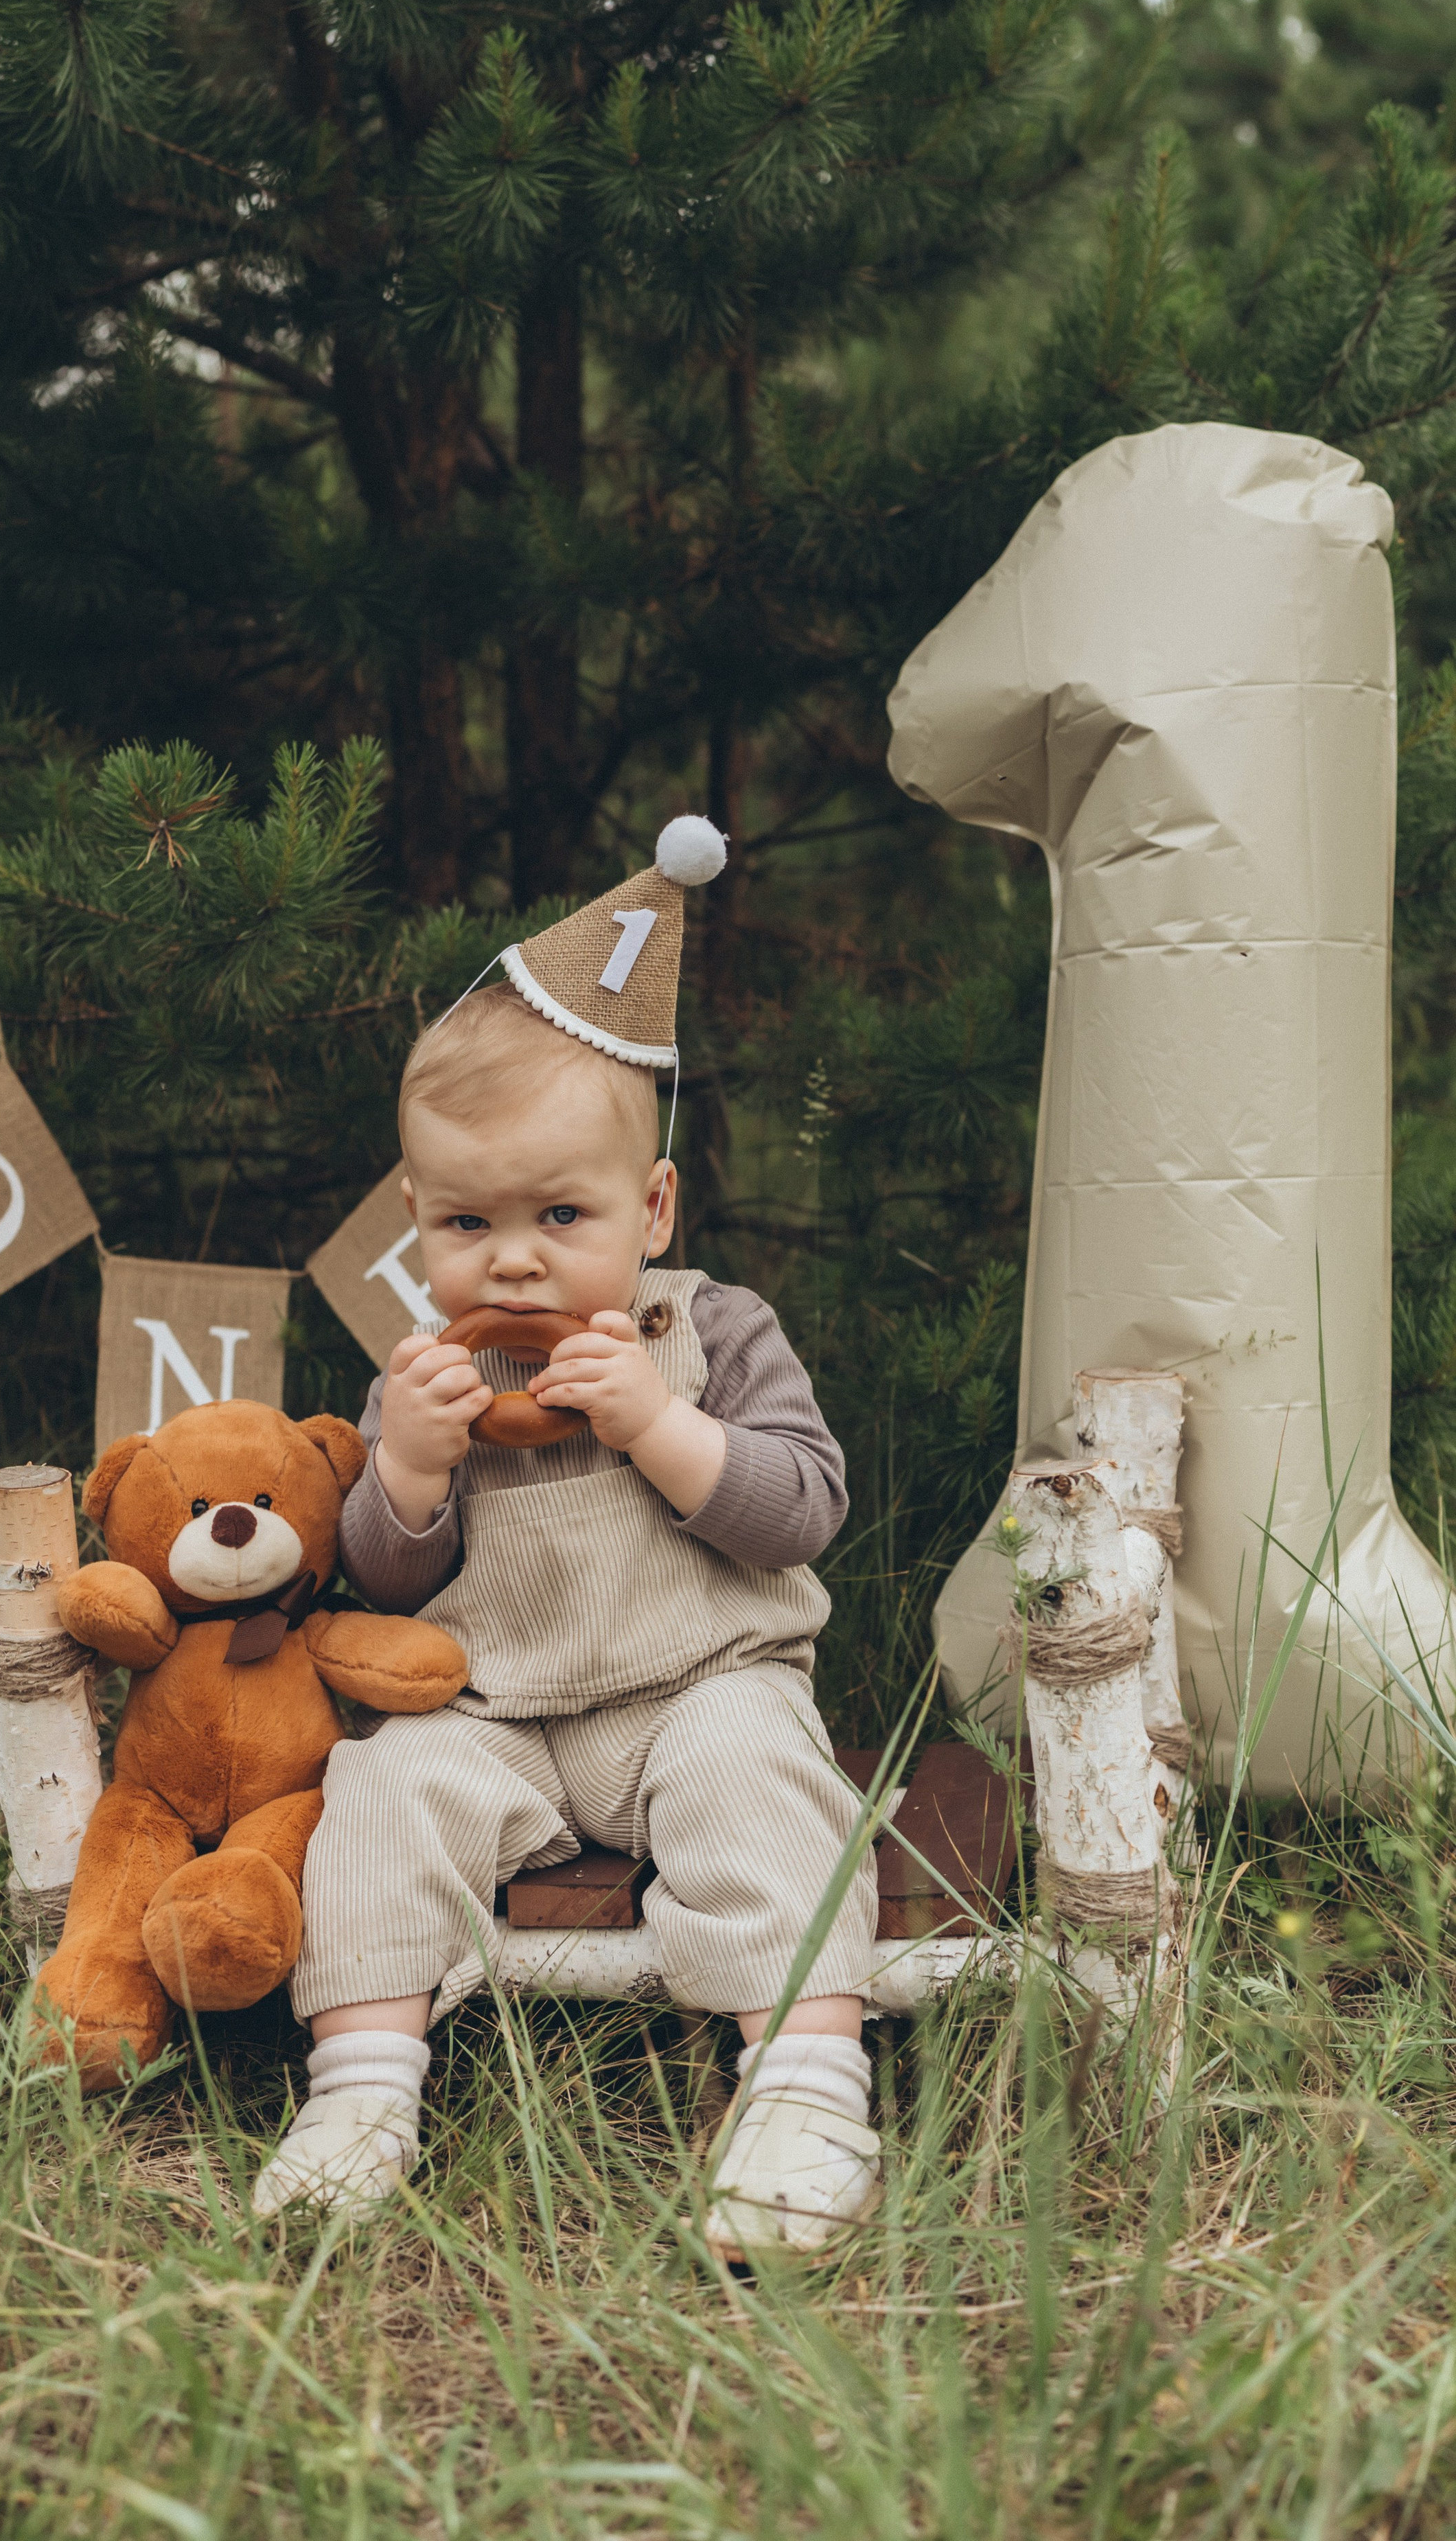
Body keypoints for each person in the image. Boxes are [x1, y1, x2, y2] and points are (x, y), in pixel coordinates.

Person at [255, 819, 880, 2253]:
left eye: (560, 1212)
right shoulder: (431, 1372)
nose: (514, 1257)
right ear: (413, 1221)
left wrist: (661, 1425)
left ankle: (799, 2081)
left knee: (759, 1772)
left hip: (691, 1689)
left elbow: (804, 1508)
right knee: (385, 1784)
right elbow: (391, 1588)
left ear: (649, 1208)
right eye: (467, 1221)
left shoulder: (709, 1331)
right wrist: (406, 1471)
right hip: (502, 1715)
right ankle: (358, 2086)